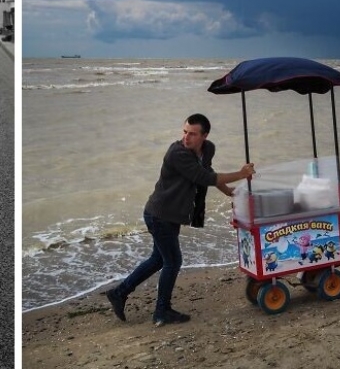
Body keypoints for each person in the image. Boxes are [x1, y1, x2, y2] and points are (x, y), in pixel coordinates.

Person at [105, 114, 255, 326]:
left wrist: (228, 191)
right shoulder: (177, 153)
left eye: (192, 134)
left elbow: (207, 171)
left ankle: (119, 293)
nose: (186, 137)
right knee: (173, 261)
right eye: (185, 132)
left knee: (159, 259)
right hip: (159, 215)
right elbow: (204, 178)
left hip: (170, 216)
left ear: (204, 135)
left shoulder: (208, 149)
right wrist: (240, 173)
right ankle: (161, 311)